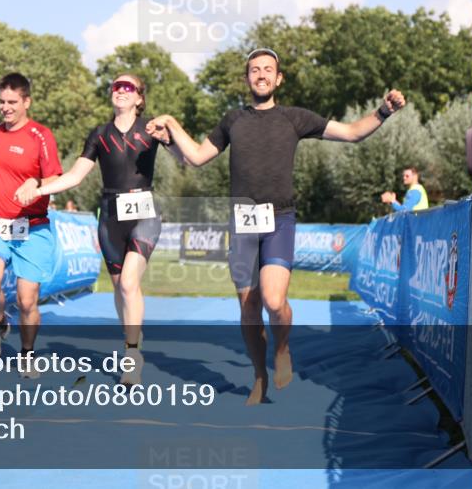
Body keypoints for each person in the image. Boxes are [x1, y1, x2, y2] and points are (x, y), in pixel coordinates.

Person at [147, 48, 406, 405]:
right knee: (249, 310)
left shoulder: (294, 118)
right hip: (241, 223)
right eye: (255, 70)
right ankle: (258, 377)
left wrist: (384, 111)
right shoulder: (232, 120)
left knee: (273, 299)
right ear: (247, 78)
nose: (262, 75)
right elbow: (195, 158)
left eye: (268, 70)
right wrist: (171, 130)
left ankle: (282, 347)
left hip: (279, 219)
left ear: (278, 78)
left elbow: (351, 133)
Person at [17, 73, 177, 385]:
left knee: (130, 283)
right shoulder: (99, 134)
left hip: (144, 214)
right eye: (116, 86)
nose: (121, 90)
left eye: (128, 87)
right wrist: (39, 189)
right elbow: (75, 176)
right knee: (120, 288)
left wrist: (170, 137)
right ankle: (132, 336)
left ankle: (132, 354)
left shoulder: (151, 129)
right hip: (111, 218)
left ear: (139, 98)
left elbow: (187, 159)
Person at [0, 73, 63, 377]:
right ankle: (0, 324)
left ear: (27, 101)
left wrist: (36, 183)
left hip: (32, 228)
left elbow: (54, 179)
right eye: (1, 102)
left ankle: (27, 354)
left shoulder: (41, 135)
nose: (6, 108)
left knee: (27, 301)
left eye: (12, 102)